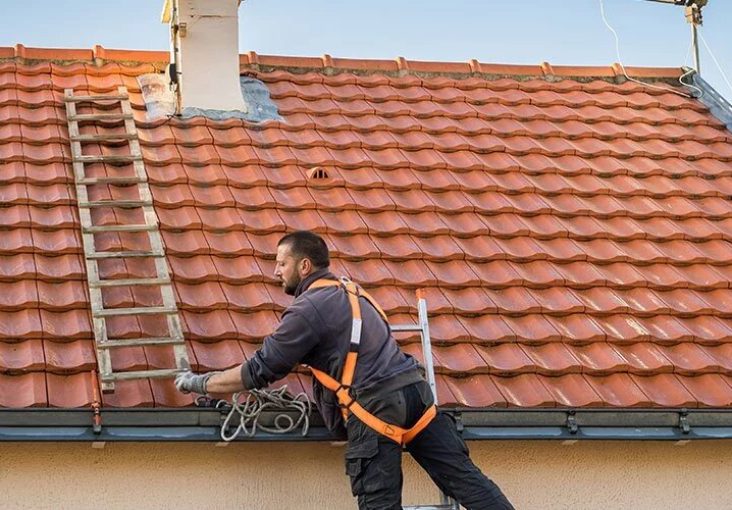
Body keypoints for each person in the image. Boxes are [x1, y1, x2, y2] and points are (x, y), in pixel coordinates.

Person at [175, 230, 514, 510]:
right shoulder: (352, 291)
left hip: (376, 408)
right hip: (417, 396)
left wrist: (199, 383)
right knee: (470, 484)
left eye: (281, 263)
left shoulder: (307, 310)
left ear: (304, 266)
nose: (275, 271)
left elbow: (258, 371)